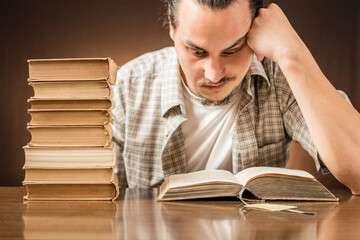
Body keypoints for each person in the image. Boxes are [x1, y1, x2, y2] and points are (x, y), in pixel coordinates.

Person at [111, 0, 360, 194]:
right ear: (172, 27)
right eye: (197, 51)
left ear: (256, 30)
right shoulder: (128, 87)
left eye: (232, 50)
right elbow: (105, 206)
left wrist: (292, 53)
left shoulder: (280, 79)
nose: (213, 74)